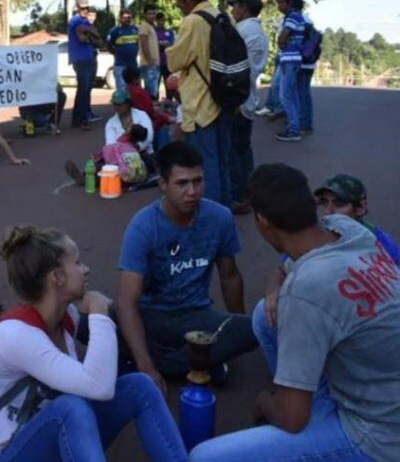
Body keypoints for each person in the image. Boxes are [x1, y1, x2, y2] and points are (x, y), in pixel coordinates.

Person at [191, 164, 400, 462]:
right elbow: (288, 270)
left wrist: (265, 403)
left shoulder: (307, 291)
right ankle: (316, 411)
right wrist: (276, 290)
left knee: (204, 456)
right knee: (266, 314)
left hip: (379, 437)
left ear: (262, 221)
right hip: (382, 389)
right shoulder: (348, 230)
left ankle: (317, 426)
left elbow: (291, 418)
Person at [0, 225, 188, 462]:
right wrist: (99, 312)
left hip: (45, 437)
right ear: (57, 277)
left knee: (139, 386)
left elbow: (91, 383)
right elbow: (99, 387)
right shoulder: (16, 336)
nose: (86, 269)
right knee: (71, 409)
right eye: (78, 263)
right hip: (3, 455)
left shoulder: (66, 316)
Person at [116, 141, 257, 391]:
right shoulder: (143, 227)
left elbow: (230, 277)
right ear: (162, 184)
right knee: (97, 322)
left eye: (198, 181)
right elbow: (128, 301)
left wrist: (236, 326)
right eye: (182, 183)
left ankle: (165, 361)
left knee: (253, 329)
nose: (192, 191)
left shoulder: (220, 217)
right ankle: (193, 363)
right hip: (152, 316)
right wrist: (147, 367)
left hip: (195, 316)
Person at [165, 0, 233, 207]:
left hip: (202, 105)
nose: (177, 5)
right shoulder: (220, 15)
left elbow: (175, 61)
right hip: (223, 100)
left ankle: (210, 219)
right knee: (222, 163)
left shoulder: (193, 21)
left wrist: (168, 49)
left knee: (204, 166)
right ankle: (224, 212)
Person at [228, 0, 269, 214]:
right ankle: (248, 192)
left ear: (244, 9)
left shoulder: (242, 31)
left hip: (238, 98)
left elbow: (234, 67)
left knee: (233, 150)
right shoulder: (258, 31)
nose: (233, 10)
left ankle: (238, 195)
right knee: (243, 149)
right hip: (249, 96)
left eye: (235, 6)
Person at [314, 174, 399, 264]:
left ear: (360, 208)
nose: (328, 211)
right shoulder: (317, 239)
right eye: (325, 202)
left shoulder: (378, 241)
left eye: (339, 203)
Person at [273, 0, 306, 141]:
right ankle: (295, 126)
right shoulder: (297, 16)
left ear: (288, 3)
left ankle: (293, 130)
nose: (279, 6)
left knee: (285, 95)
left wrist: (281, 40)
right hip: (293, 59)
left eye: (281, 2)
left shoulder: (292, 17)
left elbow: (283, 37)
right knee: (291, 95)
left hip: (290, 59)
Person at [68, 0, 102, 130]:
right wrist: (91, 35)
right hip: (80, 59)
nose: (85, 10)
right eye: (82, 7)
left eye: (86, 7)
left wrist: (91, 34)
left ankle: (80, 117)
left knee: (86, 89)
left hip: (89, 58)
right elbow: (82, 37)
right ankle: (80, 119)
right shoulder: (76, 20)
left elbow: (96, 37)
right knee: (83, 89)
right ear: (77, 7)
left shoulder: (86, 21)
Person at [123, 67, 172, 151]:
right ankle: (162, 153)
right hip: (147, 120)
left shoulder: (126, 90)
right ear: (135, 79)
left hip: (134, 119)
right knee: (164, 128)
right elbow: (150, 110)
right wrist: (166, 117)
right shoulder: (139, 91)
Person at [104, 89, 154, 155]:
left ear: (128, 103)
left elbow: (149, 136)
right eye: (115, 104)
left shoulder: (141, 115)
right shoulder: (110, 123)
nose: (117, 107)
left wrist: (137, 147)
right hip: (121, 156)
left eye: (120, 104)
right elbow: (110, 145)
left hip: (145, 153)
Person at [293, 0, 316, 135]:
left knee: (299, 93)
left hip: (300, 61)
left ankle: (302, 123)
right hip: (310, 61)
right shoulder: (309, 20)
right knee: (305, 93)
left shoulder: (298, 20)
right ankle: (307, 122)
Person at [106, 9, 139, 90]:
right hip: (120, 64)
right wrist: (117, 53)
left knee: (134, 89)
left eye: (129, 17)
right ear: (120, 18)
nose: (127, 19)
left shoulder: (136, 30)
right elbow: (108, 46)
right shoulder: (114, 31)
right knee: (121, 89)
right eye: (125, 17)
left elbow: (139, 44)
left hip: (133, 64)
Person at [138, 4, 161, 100]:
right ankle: (149, 113)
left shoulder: (151, 27)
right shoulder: (144, 26)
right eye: (149, 13)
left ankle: (151, 112)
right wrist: (150, 60)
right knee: (151, 93)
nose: (152, 16)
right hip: (148, 64)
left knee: (153, 91)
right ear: (145, 15)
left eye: (154, 13)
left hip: (154, 63)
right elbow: (144, 44)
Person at [155, 12, 176, 98]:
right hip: (157, 63)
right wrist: (163, 44)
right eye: (160, 20)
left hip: (168, 63)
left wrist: (161, 44)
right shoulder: (154, 32)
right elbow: (155, 45)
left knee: (169, 84)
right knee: (156, 84)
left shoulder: (169, 32)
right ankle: (155, 102)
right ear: (157, 21)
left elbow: (171, 44)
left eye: (163, 20)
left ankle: (169, 101)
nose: (162, 22)